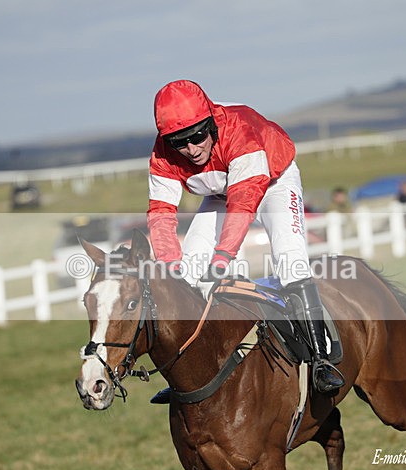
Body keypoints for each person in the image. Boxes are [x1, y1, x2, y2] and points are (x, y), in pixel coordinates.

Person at [146, 80, 344, 402]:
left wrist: (223, 257)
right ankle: (192, 371)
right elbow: (161, 212)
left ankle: (321, 360)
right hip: (222, 193)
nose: (192, 149)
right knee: (188, 272)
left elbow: (244, 202)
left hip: (274, 183)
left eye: (198, 137)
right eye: (179, 142)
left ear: (211, 123)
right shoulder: (163, 155)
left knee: (289, 258)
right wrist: (169, 262)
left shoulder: (239, 129)